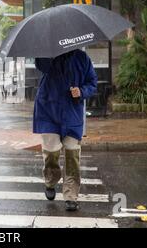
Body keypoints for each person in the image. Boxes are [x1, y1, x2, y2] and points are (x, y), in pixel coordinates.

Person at [34, 49, 98, 212]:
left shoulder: (82, 58)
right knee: (51, 151)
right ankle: (50, 181)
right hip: (49, 110)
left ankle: (71, 196)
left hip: (72, 114)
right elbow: (41, 65)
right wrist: (49, 53)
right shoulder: (47, 55)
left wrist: (81, 91)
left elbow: (92, 83)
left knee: (72, 153)